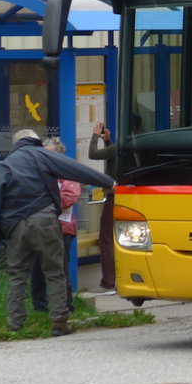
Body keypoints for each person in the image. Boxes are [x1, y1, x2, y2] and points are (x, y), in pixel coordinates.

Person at [0, 128, 115, 336]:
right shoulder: (41, 155)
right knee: (55, 272)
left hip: (15, 226)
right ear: (35, 141)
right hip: (44, 220)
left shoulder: (3, 166)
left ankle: (15, 324)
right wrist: (108, 182)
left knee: (17, 275)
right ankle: (59, 323)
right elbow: (75, 169)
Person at [29, 138, 80, 318]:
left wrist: (43, 200)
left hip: (62, 228)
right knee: (37, 268)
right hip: (40, 227)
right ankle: (39, 307)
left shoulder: (68, 175)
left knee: (60, 267)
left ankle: (66, 305)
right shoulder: (36, 174)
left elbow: (68, 198)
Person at [88, 121, 117, 294]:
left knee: (106, 241)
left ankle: (108, 283)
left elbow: (92, 154)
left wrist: (95, 135)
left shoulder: (119, 148)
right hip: (129, 198)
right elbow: (115, 158)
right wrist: (107, 141)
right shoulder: (133, 148)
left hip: (114, 199)